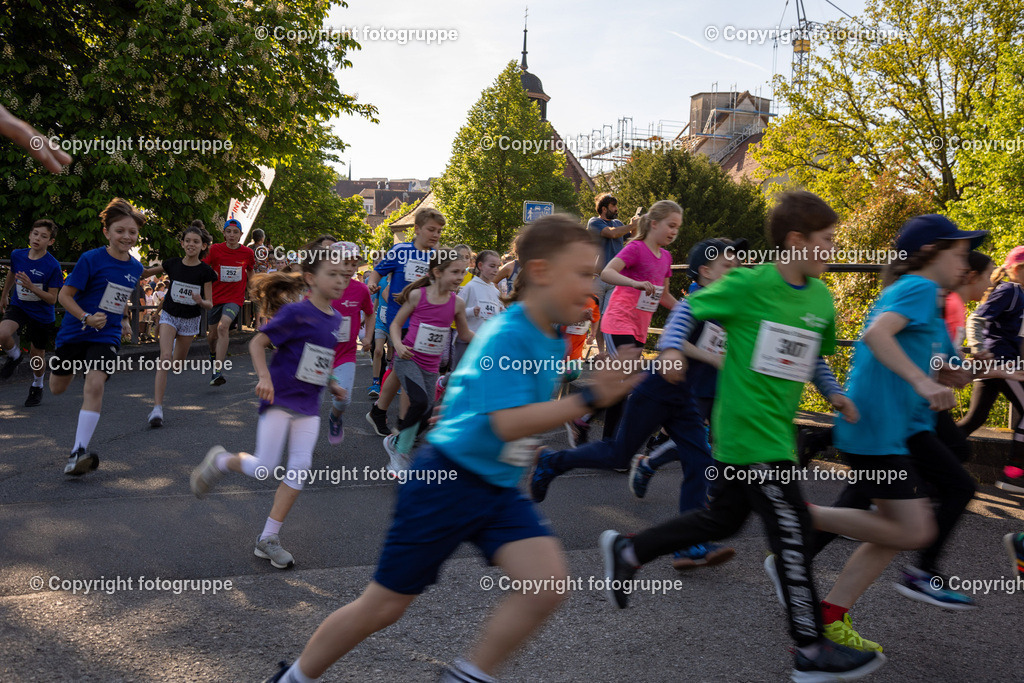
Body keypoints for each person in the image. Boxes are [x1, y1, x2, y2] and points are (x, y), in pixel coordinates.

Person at [261, 214, 641, 683]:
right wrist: (587, 397)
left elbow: (492, 392)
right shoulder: (509, 332)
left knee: (547, 585)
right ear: (541, 272)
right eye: (583, 274)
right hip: (446, 481)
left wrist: (588, 384)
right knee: (384, 606)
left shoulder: (551, 336)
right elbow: (505, 422)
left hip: (497, 488)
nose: (594, 286)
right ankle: (293, 677)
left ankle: (467, 676)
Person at [599, 190, 885, 681]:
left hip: (774, 431)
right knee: (792, 532)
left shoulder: (819, 296)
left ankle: (629, 551)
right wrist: (669, 348)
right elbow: (689, 311)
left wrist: (834, 393)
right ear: (797, 241)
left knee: (721, 520)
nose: (834, 249)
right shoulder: (750, 284)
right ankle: (810, 649)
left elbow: (813, 353)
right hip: (747, 434)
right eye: (828, 240)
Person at [803, 214, 987, 651]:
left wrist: (948, 374)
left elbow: (925, 355)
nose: (964, 262)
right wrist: (925, 383)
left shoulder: (920, 294)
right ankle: (796, 513)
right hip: (877, 431)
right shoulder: (920, 288)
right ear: (929, 254)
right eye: (957, 251)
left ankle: (830, 616)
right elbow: (876, 335)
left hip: (891, 432)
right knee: (915, 529)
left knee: (895, 530)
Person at [190, 242, 350, 568]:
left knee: (300, 468)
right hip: (279, 397)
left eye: (342, 275)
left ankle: (268, 538)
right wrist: (264, 377)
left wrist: (331, 381)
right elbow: (257, 342)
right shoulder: (296, 312)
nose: (340, 280)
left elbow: (317, 358)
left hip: (307, 404)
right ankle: (221, 461)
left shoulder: (336, 319)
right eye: (331, 274)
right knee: (264, 467)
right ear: (310, 278)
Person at [49, 198, 146, 475]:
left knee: (94, 385)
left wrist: (125, 319)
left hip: (106, 335)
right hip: (74, 331)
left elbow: (119, 297)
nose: (127, 237)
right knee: (57, 388)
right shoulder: (90, 259)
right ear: (107, 232)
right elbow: (64, 296)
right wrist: (85, 318)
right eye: (120, 231)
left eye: (132, 232)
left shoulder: (136, 268)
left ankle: (78, 451)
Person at [382, 249, 473, 472]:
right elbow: (395, 324)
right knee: (420, 402)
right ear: (437, 272)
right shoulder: (418, 296)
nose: (460, 277)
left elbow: (464, 334)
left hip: (431, 367)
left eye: (463, 272)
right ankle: (399, 454)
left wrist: (493, 341)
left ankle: (394, 442)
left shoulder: (457, 303)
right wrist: (399, 345)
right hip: (408, 358)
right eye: (455, 272)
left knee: (424, 418)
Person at [364, 208, 444, 436]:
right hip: (401, 320)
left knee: (402, 370)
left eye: (439, 231)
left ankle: (380, 413)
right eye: (431, 229)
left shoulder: (436, 257)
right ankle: (404, 425)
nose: (436, 234)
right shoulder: (401, 250)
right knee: (411, 371)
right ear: (417, 229)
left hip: (425, 321)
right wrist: (372, 284)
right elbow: (378, 272)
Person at [956, 246, 1024, 492]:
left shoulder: (1019, 293)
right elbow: (977, 318)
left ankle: (932, 458)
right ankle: (1013, 476)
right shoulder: (1010, 290)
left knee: (975, 418)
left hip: (1001, 363)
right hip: (999, 362)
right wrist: (977, 348)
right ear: (1016, 270)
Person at [140, 220, 217, 427]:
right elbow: (146, 273)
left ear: (203, 246)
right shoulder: (172, 264)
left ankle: (175, 350)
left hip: (190, 320)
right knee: (164, 358)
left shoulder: (206, 272)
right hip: (170, 315)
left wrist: (201, 301)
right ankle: (157, 409)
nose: (191, 244)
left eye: (196, 241)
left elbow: (210, 303)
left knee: (176, 365)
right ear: (182, 243)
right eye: (187, 241)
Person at [0, 219, 64, 407]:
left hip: (42, 313)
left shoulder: (53, 266)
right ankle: (14, 356)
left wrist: (31, 287)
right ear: (29, 234)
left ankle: (37, 385)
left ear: (50, 242)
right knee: (2, 333)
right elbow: (12, 273)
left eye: (43, 236)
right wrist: (4, 295)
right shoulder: (17, 255)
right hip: (20, 306)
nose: (37, 238)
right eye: (35, 233)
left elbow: (52, 299)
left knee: (37, 356)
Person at [326, 242, 373, 445]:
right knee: (303, 399)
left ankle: (335, 417)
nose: (349, 268)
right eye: (345, 263)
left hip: (346, 352)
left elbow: (370, 314)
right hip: (320, 352)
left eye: (353, 264)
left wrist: (368, 337)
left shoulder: (361, 290)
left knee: (343, 399)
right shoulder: (322, 286)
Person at [204, 218, 256, 386]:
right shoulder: (215, 250)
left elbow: (250, 271)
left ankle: (217, 371)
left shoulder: (247, 253)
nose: (232, 235)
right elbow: (204, 269)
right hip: (215, 298)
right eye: (229, 232)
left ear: (241, 235)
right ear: (224, 234)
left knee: (223, 326)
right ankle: (213, 355)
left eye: (235, 232)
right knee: (212, 337)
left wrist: (254, 290)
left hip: (235, 298)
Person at [587, 193, 639, 355]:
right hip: (597, 278)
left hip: (616, 277)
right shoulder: (595, 222)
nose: (617, 209)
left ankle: (609, 354)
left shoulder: (619, 223)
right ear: (604, 209)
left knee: (609, 316)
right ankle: (601, 353)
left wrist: (635, 226)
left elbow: (632, 239)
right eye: (613, 206)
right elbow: (611, 233)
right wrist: (631, 226)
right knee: (597, 318)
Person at [454, 249, 504, 370]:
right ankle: (442, 384)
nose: (496, 270)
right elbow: (453, 312)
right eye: (492, 266)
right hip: (466, 341)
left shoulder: (496, 292)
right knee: (459, 376)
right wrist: (471, 311)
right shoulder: (470, 286)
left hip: (485, 342)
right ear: (480, 265)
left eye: (497, 267)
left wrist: (502, 314)